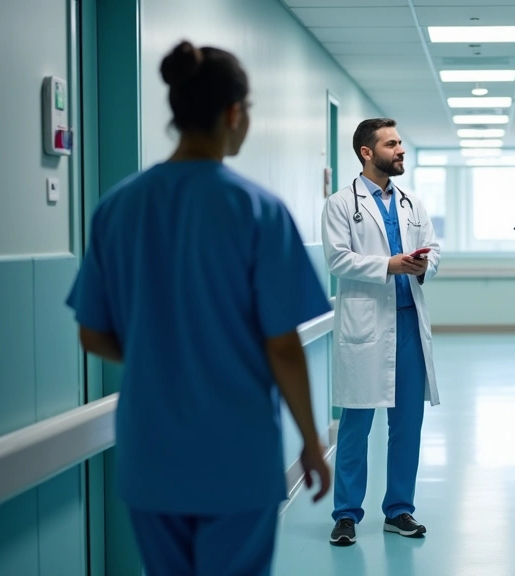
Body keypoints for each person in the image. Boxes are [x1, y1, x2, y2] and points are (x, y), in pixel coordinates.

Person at [65, 41, 331, 576]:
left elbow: (92, 335)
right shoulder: (257, 209)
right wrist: (310, 440)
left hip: (150, 453)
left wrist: (158, 355)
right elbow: (281, 345)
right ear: (234, 113)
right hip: (234, 450)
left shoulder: (117, 207)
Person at [321, 118, 441, 547]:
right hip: (367, 324)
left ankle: (399, 510)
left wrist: (425, 263)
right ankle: (346, 515)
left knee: (408, 424)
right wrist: (389, 265)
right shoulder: (340, 203)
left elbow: (434, 247)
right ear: (367, 153)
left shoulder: (411, 202)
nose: (400, 150)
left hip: (408, 320)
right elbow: (337, 259)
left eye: (401, 143)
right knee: (357, 423)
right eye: (392, 144)